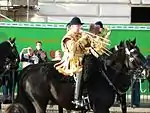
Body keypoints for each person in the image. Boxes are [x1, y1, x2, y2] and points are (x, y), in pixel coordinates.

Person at [54, 17, 108, 108]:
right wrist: (84, 38)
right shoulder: (68, 37)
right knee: (80, 72)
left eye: (80, 25)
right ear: (71, 27)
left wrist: (94, 36)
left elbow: (89, 45)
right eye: (77, 25)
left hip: (82, 59)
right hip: (72, 61)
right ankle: (77, 98)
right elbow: (73, 49)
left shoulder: (79, 35)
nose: (79, 27)